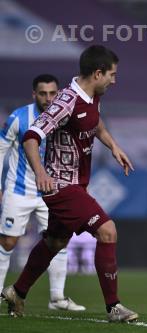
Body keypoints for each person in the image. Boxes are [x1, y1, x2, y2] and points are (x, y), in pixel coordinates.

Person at [1, 45, 138, 323]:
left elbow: (95, 124)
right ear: (97, 74)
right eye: (112, 74)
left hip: (78, 183)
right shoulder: (66, 101)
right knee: (107, 231)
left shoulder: (93, 96)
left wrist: (114, 146)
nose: (114, 80)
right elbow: (31, 136)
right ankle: (114, 307)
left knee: (55, 241)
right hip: (61, 186)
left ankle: (17, 291)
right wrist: (40, 172)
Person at [0, 74, 85, 312]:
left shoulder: (64, 116)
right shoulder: (19, 117)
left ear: (58, 94)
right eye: (42, 93)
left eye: (52, 93)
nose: (48, 98)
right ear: (34, 94)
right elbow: (1, 150)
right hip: (20, 189)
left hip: (52, 193)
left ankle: (57, 299)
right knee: (7, 242)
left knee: (58, 241)